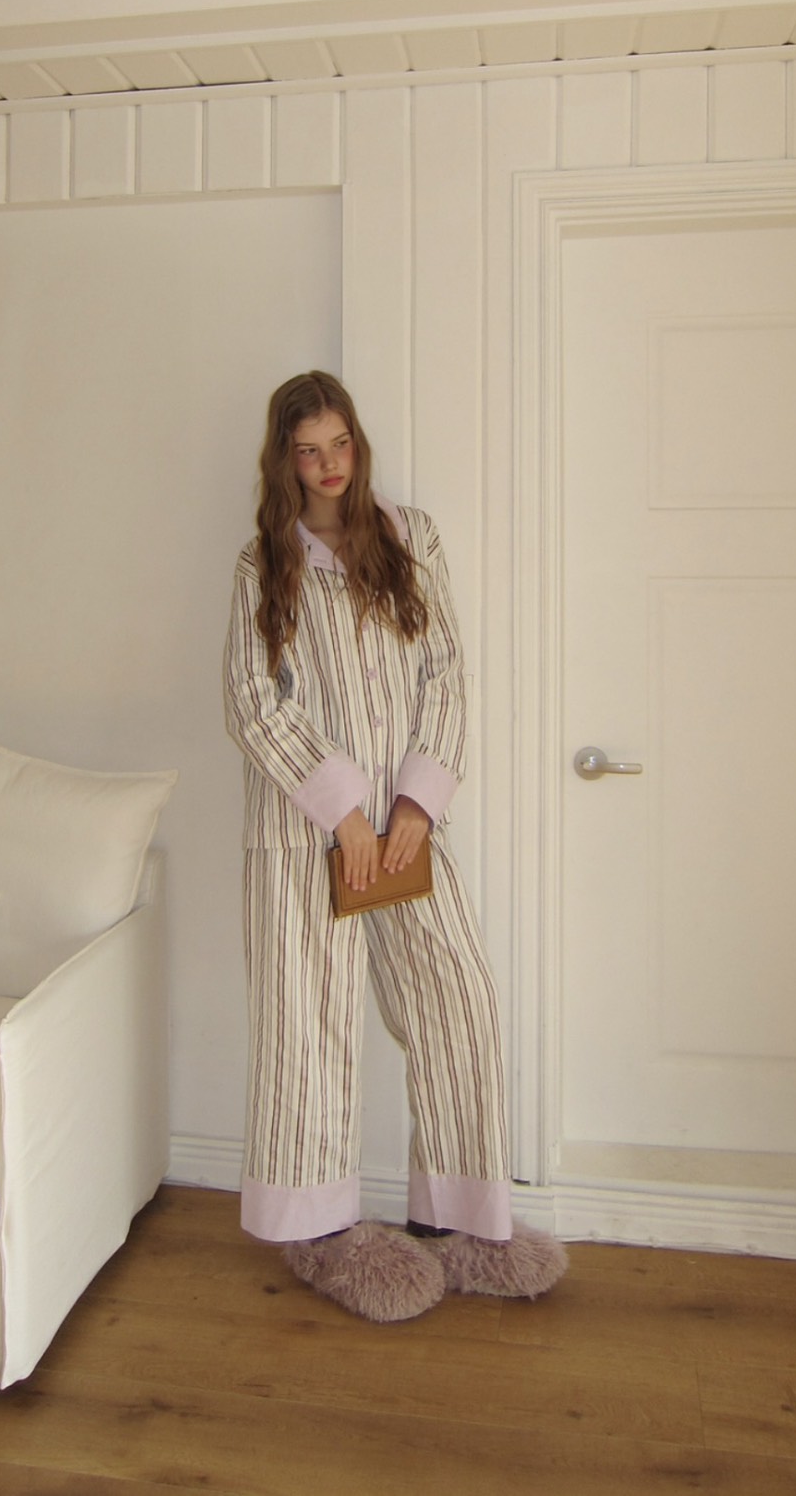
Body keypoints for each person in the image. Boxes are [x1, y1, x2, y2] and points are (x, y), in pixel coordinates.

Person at [223, 370, 566, 1322]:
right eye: (308, 452)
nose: (328, 465)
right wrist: (342, 812)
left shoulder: (411, 539)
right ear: (285, 462)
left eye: (339, 444)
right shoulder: (264, 565)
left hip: (407, 830)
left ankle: (458, 1224)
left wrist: (417, 801)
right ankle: (321, 1233)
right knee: (309, 1028)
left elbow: (447, 673)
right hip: (303, 836)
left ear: (356, 444)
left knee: (459, 998)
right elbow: (253, 701)